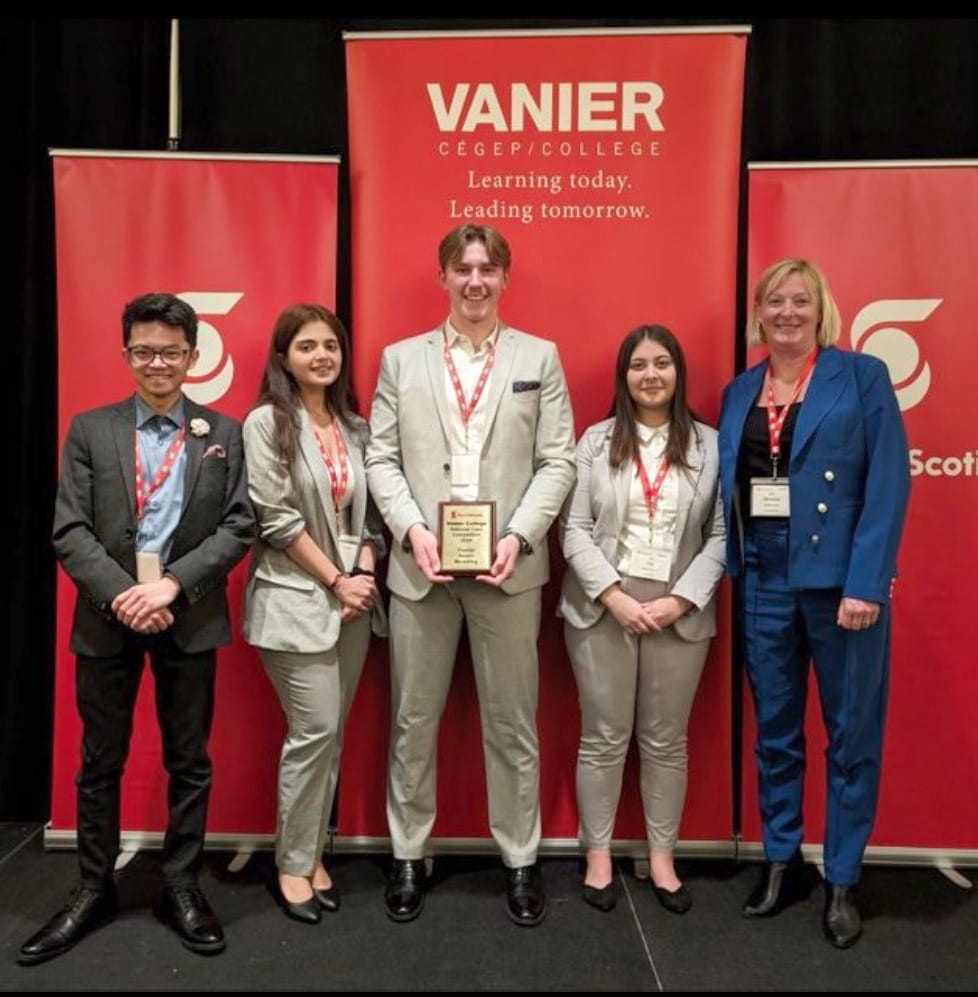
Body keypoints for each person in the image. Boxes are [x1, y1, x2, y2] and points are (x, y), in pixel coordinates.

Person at [19, 294, 254, 965]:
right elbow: (69, 528)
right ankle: (93, 887)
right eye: (145, 351)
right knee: (100, 761)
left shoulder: (224, 433)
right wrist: (127, 594)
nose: (159, 362)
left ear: (192, 356)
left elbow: (239, 524)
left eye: (171, 351)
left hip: (189, 611)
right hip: (109, 613)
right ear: (127, 355)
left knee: (190, 759)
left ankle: (182, 883)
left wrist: (173, 585)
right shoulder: (90, 429)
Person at [366, 223, 576, 926]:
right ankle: (407, 853)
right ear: (444, 277)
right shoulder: (401, 360)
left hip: (507, 570)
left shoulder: (539, 357)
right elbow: (381, 460)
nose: (476, 280)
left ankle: (519, 858)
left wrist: (519, 535)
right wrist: (413, 530)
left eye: (488, 268)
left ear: (504, 278)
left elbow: (559, 461)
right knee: (412, 720)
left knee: (513, 723)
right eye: (464, 268)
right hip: (419, 568)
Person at [718, 258, 910, 948]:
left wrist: (867, 581)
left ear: (819, 308)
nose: (788, 312)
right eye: (776, 301)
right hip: (764, 578)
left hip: (839, 586)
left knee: (851, 735)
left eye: (801, 300)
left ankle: (842, 874)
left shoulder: (860, 377)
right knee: (775, 731)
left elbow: (887, 483)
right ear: (759, 312)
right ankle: (780, 860)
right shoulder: (740, 390)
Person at [559, 325, 724, 915]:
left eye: (661, 363)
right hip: (604, 609)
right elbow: (572, 529)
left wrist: (680, 599)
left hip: (680, 612)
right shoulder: (595, 442)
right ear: (622, 375)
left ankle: (661, 857)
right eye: (637, 365)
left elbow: (723, 534)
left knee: (665, 741)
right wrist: (613, 595)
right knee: (603, 738)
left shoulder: (710, 445)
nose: (649, 374)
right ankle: (598, 854)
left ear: (678, 372)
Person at [242, 304, 385, 924]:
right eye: (307, 346)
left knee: (330, 737)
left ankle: (309, 853)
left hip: (353, 604)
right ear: (283, 358)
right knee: (315, 733)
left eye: (330, 345)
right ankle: (292, 863)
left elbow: (372, 516)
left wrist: (366, 575)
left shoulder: (356, 426)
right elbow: (275, 520)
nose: (322, 355)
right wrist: (336, 579)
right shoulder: (265, 423)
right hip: (295, 602)